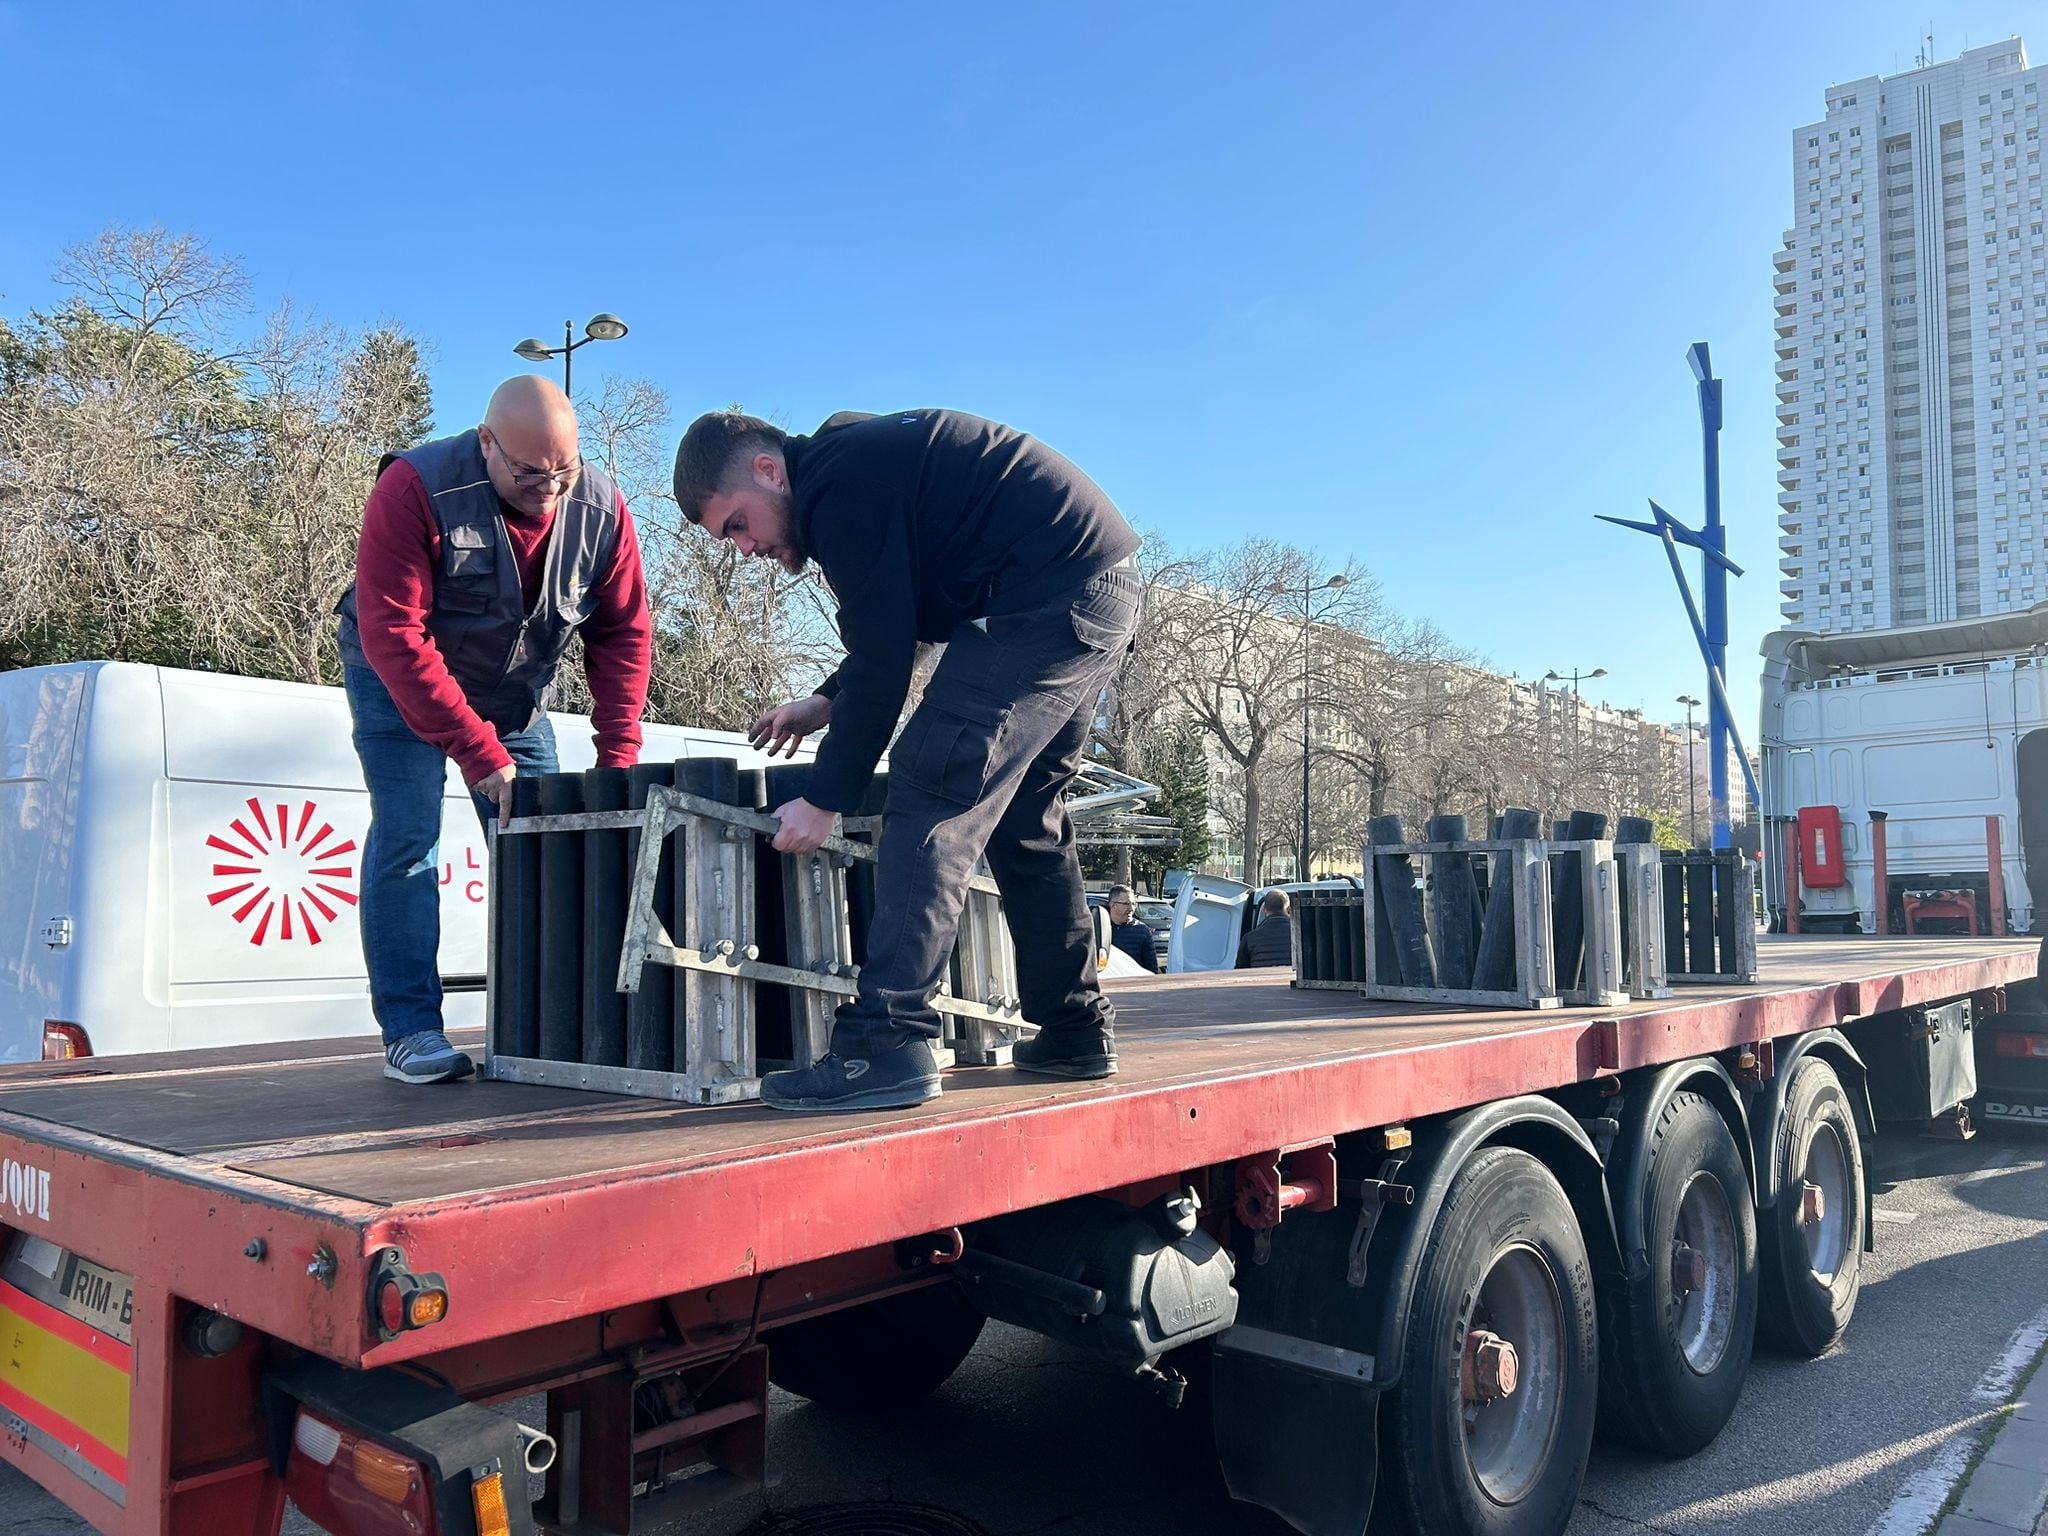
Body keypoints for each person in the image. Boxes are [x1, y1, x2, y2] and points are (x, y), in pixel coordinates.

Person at [674, 408, 1141, 1111]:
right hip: (1094, 590)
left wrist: (826, 793)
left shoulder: (837, 485)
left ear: (769, 471)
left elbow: (886, 660)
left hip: (1048, 597)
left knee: (929, 787)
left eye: (737, 523)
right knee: (1024, 816)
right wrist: (828, 700)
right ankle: (1075, 1030)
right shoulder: (857, 465)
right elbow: (898, 624)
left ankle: (885, 1042)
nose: (744, 548)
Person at [337, 376, 652, 1085]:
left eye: (563, 472)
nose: (549, 488)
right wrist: (476, 751)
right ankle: (412, 1031)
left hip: (513, 696)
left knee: (549, 848)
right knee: (409, 838)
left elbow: (624, 637)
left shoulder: (602, 510)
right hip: (397, 679)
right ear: (486, 444)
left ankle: (552, 1026)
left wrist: (617, 759)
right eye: (529, 472)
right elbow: (393, 633)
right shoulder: (414, 487)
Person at [1104, 885, 1159, 973]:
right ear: (1113, 905)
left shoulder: (1142, 931)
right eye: (1126, 904)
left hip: (1133, 982)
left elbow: (1151, 968)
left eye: (1133, 904)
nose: (1131, 909)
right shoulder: (1099, 928)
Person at [1244, 888, 1296, 967]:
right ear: (1289, 909)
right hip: (1292, 978)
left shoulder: (1249, 938)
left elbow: (1240, 970)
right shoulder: (1300, 935)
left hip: (1260, 978)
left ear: (1265, 910)